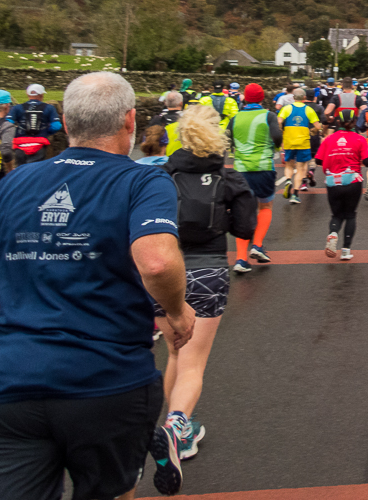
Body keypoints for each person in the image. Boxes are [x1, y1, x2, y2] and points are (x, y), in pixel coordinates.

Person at [0, 71, 195, 498]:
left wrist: (43, 273)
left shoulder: (15, 183)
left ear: (65, 118)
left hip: (9, 383)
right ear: (130, 121)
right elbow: (155, 262)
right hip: (105, 381)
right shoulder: (142, 180)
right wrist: (175, 311)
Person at [157, 105, 255, 468]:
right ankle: (178, 427)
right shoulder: (228, 179)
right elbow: (246, 229)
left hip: (167, 271)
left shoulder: (162, 177)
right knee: (194, 363)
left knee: (175, 353)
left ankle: (175, 422)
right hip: (208, 272)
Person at [226, 83, 283, 273]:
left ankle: (241, 259)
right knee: (265, 206)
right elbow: (276, 136)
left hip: (240, 169)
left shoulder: (235, 118)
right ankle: (257, 246)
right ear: (261, 98)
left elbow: (228, 139)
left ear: (244, 98)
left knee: (242, 212)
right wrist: (274, 146)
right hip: (263, 167)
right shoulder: (268, 116)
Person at [315, 117, 368, 261]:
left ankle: (333, 233)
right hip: (352, 181)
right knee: (350, 215)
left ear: (338, 123)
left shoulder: (329, 139)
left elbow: (318, 160)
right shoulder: (359, 139)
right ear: (354, 123)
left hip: (333, 182)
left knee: (336, 215)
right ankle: (346, 250)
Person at [277, 88, 317, 203]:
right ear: (304, 98)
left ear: (293, 98)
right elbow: (318, 126)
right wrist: (312, 131)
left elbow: (279, 121)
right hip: (303, 142)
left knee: (289, 165)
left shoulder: (286, 108)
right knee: (301, 168)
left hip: (289, 141)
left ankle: (288, 180)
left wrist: (282, 130)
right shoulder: (308, 110)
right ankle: (295, 194)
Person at [10, 83, 63, 166]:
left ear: (28, 94)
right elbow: (57, 126)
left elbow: (9, 124)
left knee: (20, 170)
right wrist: (46, 132)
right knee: (34, 171)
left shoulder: (17, 108)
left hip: (20, 145)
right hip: (39, 145)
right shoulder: (49, 108)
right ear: (41, 95)